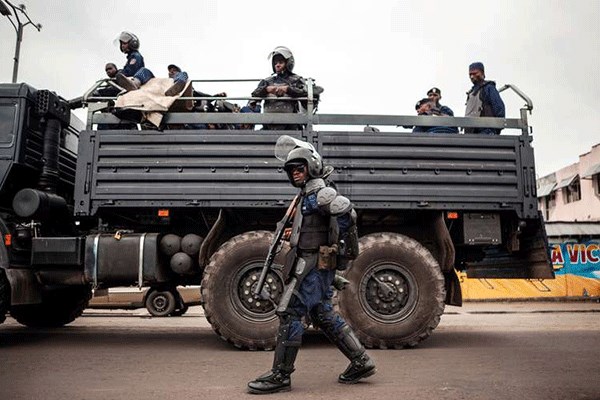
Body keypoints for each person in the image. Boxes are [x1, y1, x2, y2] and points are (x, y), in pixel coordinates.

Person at [247, 136, 376, 395]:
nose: (295, 173)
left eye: (300, 168)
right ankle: (361, 361)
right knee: (322, 313)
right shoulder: (306, 194)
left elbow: (346, 214)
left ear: (312, 167)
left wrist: (336, 258)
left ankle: (281, 375)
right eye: (291, 169)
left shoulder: (320, 193)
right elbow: (315, 227)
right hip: (311, 264)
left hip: (313, 265)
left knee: (290, 312)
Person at [251, 46, 322, 130]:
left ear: (288, 63)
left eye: (280, 62)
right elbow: (254, 95)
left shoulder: (296, 80)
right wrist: (266, 89)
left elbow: (305, 93)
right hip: (269, 123)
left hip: (290, 124)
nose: (277, 65)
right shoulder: (267, 81)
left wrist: (288, 89)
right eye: (275, 63)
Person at [464, 62, 505, 135]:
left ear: (482, 73)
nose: (472, 77)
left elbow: (499, 108)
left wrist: (497, 127)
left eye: (475, 73)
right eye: (470, 74)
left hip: (486, 130)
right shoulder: (471, 93)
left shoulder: (488, 88)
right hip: (471, 133)